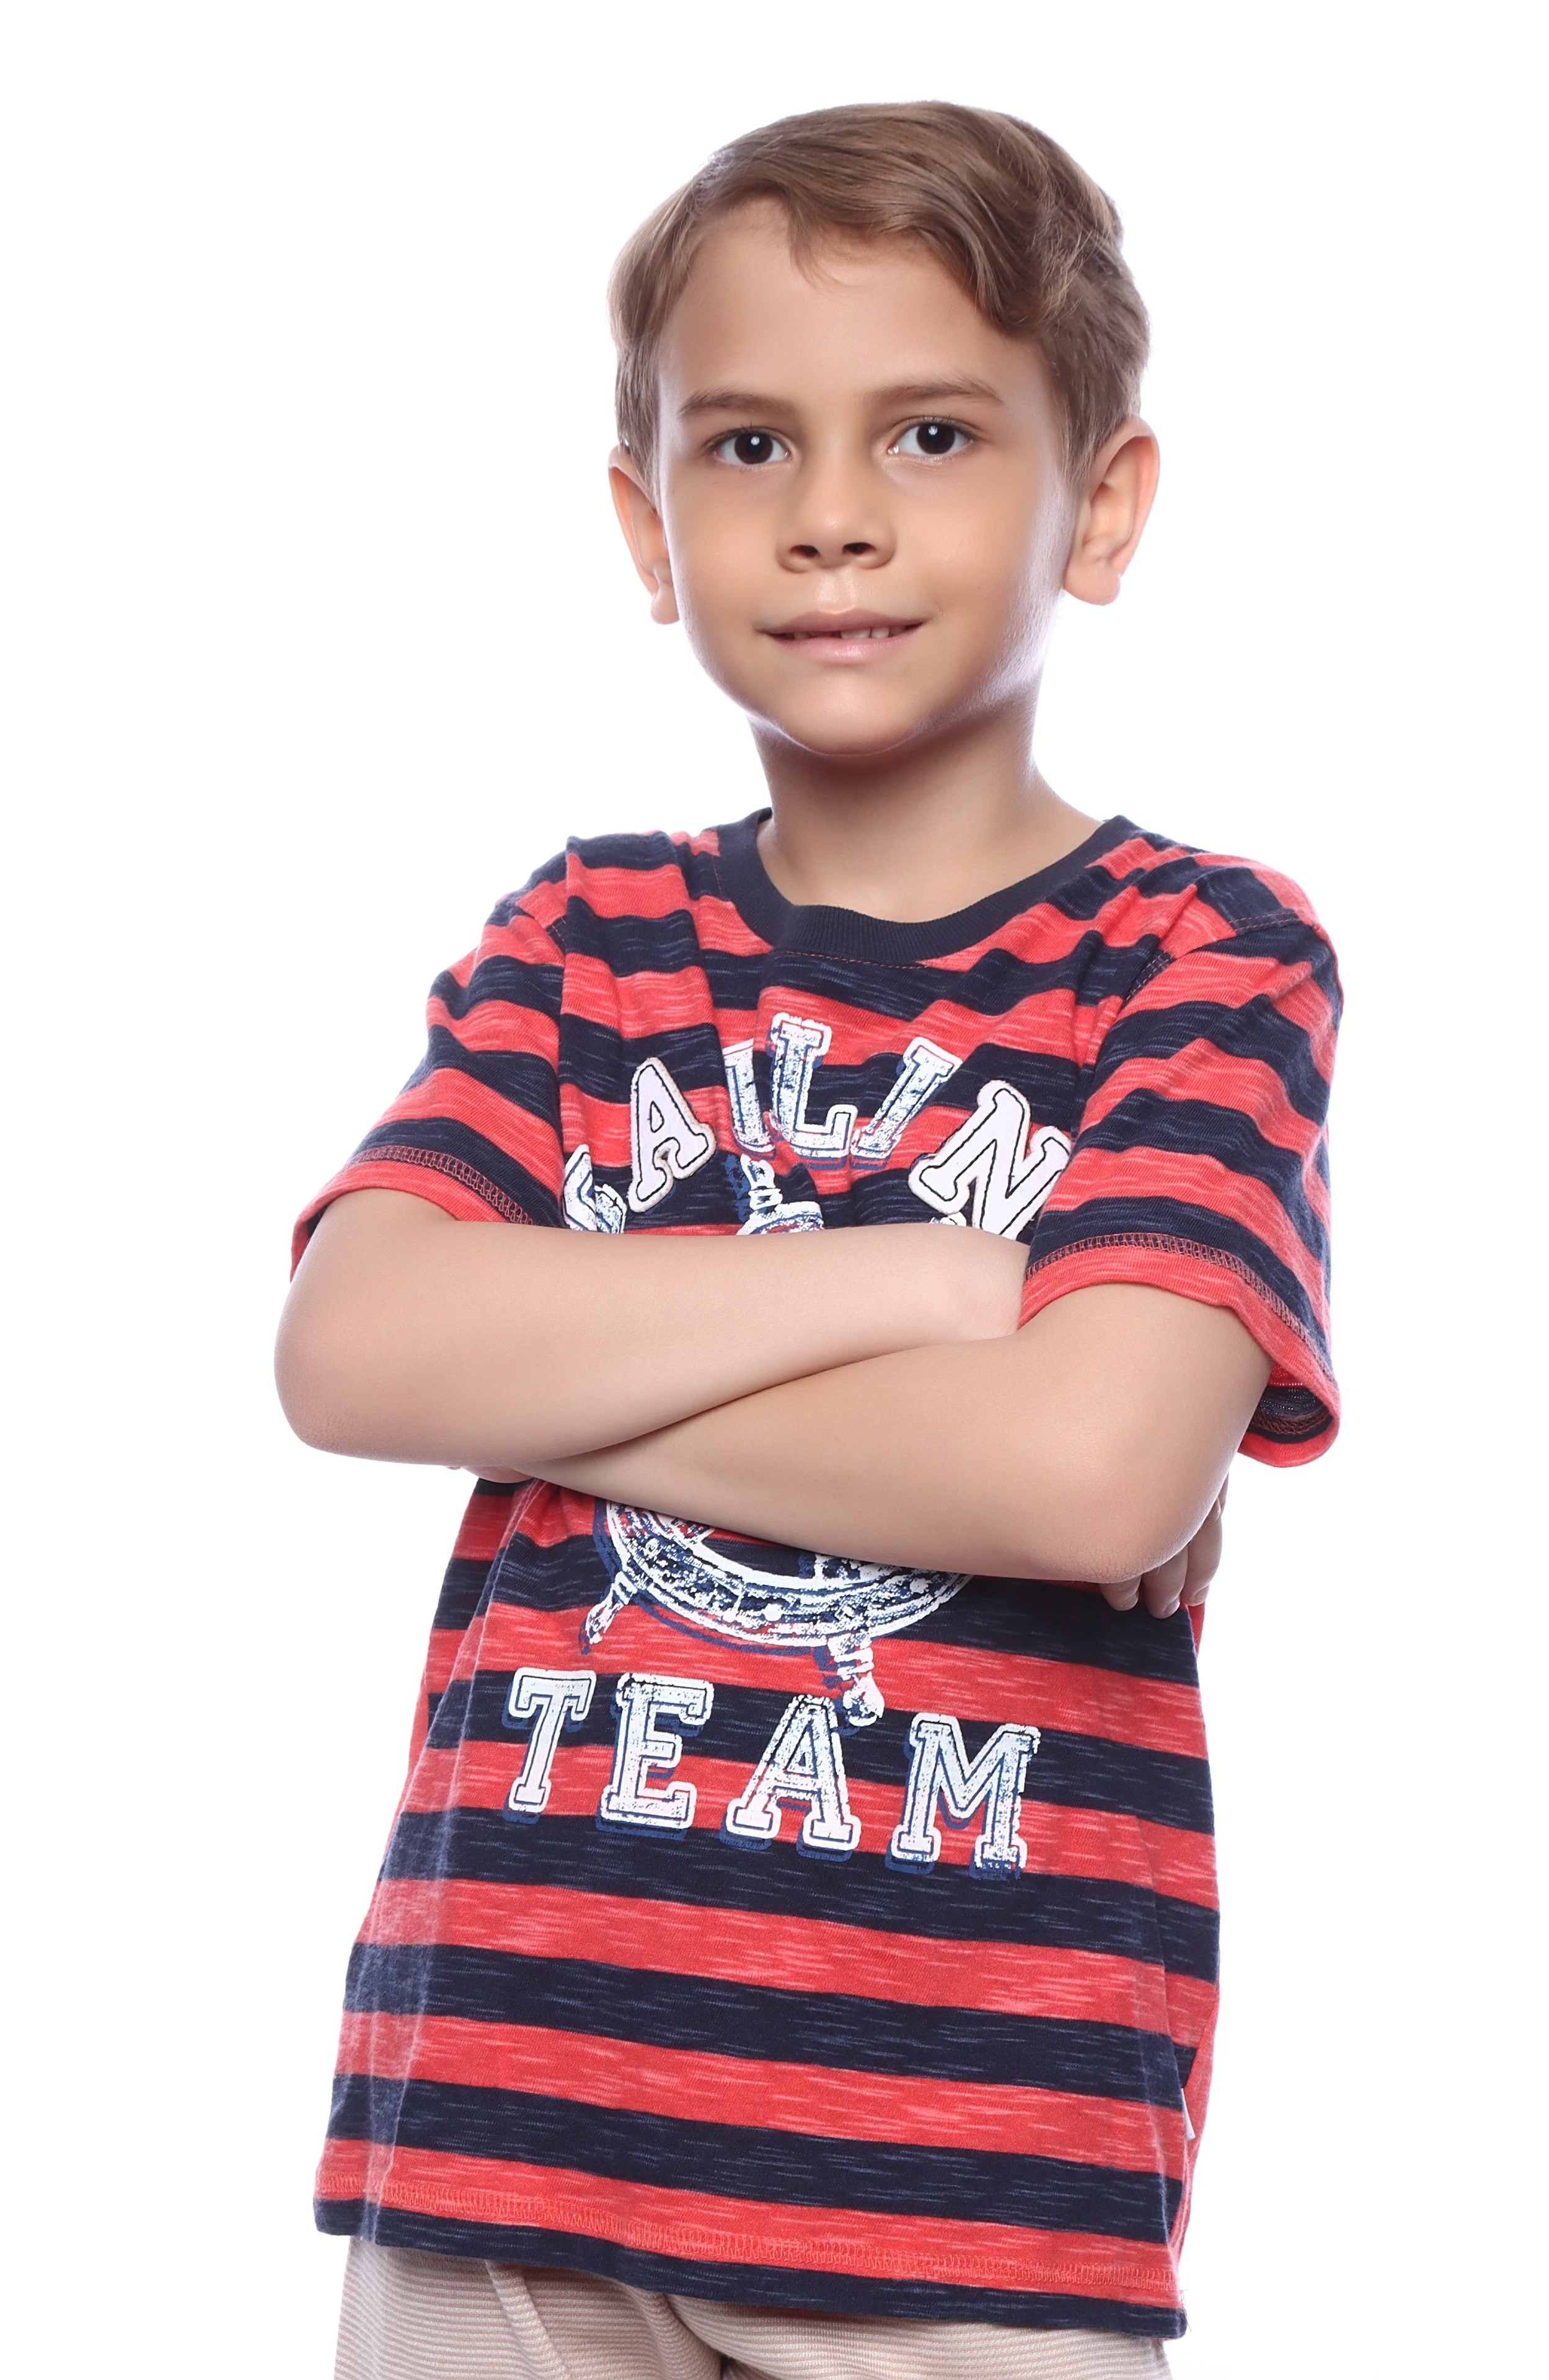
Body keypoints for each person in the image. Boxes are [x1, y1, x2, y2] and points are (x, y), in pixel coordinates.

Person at [277, 101, 1340, 2380]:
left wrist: (554, 1381)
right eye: (747, 443)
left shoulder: (1198, 957)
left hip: (969, 2165)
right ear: (649, 528)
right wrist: (938, 1288)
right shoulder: (583, 936)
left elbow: (1086, 1478)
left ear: (1102, 505)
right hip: (503, 2118)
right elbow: (355, 1355)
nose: (830, 512)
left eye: (930, 434)